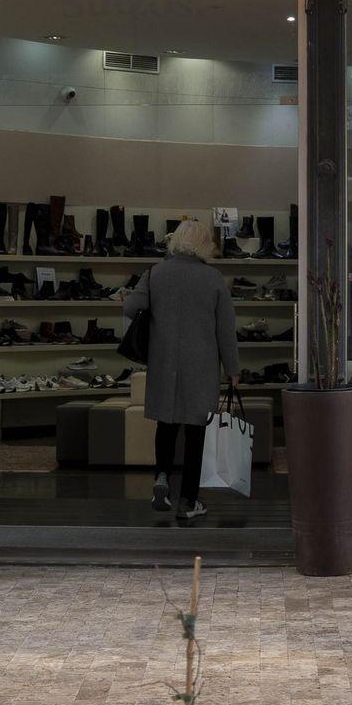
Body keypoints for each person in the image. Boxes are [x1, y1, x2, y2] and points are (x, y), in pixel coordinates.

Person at [124, 219, 239, 521]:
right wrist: (233, 369)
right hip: (200, 367)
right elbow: (226, 331)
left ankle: (161, 477)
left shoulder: (155, 273)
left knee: (166, 425)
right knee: (196, 434)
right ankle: (189, 501)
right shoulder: (213, 278)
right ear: (204, 244)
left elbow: (129, 308)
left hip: (163, 364)